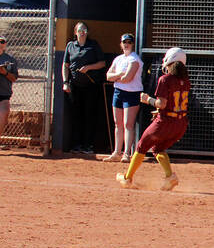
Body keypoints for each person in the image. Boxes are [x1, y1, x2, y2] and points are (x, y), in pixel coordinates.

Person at [116, 47, 190, 191]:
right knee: (158, 148)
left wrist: (147, 99)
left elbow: (161, 103)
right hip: (180, 124)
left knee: (142, 146)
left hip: (165, 122)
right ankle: (170, 177)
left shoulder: (165, 79)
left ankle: (127, 178)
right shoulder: (185, 81)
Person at [62, 21, 106, 154]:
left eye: (84, 29)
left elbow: (102, 63)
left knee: (89, 115)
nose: (82, 32)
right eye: (80, 30)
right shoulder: (71, 45)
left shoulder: (93, 45)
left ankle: (88, 145)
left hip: (90, 86)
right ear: (75, 32)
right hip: (75, 86)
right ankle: (76, 145)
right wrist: (65, 82)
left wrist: (88, 68)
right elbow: (65, 65)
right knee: (76, 115)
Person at [102, 33, 143, 162]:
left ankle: (126, 154)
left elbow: (128, 78)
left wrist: (117, 77)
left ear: (132, 44)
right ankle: (116, 152)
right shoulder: (118, 59)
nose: (126, 44)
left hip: (132, 94)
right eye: (124, 42)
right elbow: (108, 76)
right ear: (121, 44)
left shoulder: (134, 59)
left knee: (128, 124)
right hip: (118, 92)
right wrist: (119, 74)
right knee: (118, 124)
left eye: (129, 42)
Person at [0, 35, 18, 148]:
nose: (0, 43)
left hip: (4, 93)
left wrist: (4, 72)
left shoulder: (10, 60)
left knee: (4, 113)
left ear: (5, 44)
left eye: (3, 41)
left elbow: (14, 78)